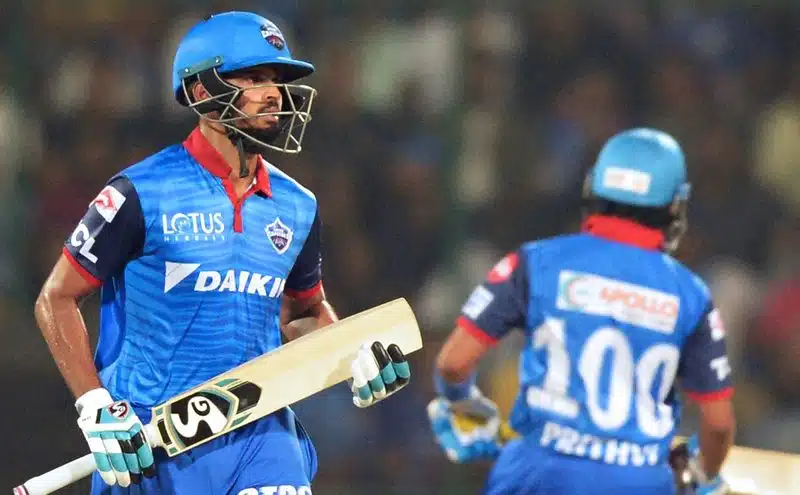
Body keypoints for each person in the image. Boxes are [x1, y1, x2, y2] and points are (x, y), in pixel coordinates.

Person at [34, 11, 410, 495]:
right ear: (201, 92)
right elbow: (57, 298)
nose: (274, 94)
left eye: (276, 79)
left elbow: (303, 311)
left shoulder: (298, 205)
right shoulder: (141, 191)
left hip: (260, 433)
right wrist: (94, 405)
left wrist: (351, 354)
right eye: (253, 78)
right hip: (147, 440)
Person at [427, 128, 736, 494]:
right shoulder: (691, 293)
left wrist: (464, 405)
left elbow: (453, 363)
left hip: (534, 475)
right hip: (637, 484)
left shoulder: (535, 262)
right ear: (674, 207)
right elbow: (718, 424)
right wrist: (698, 474)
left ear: (593, 188)